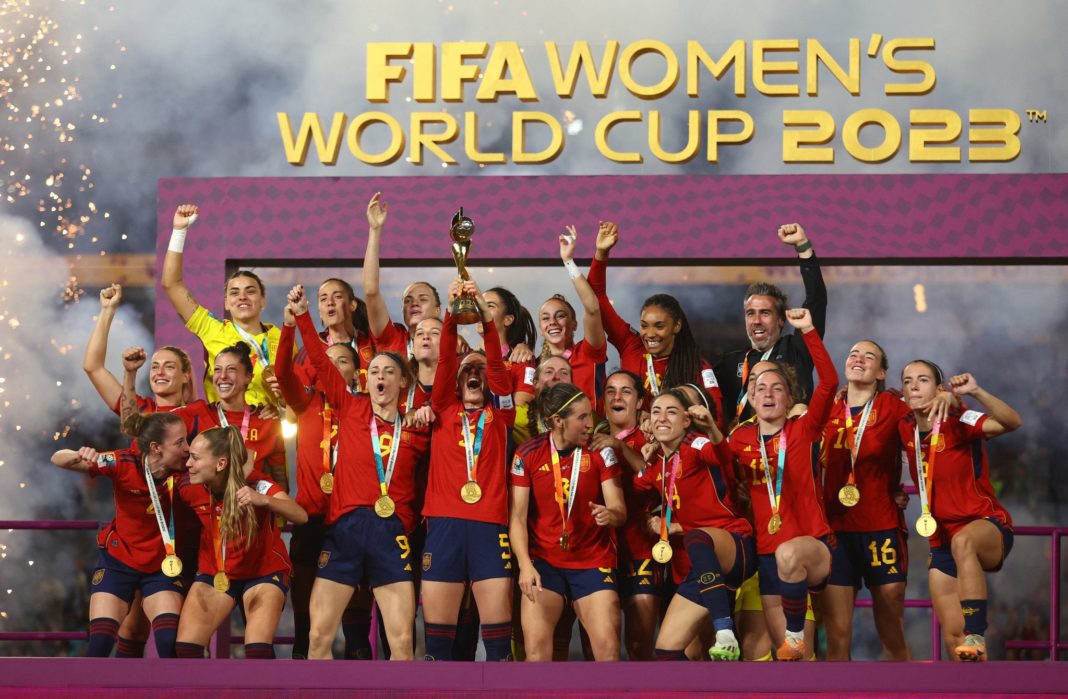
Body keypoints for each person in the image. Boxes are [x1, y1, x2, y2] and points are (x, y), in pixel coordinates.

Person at [287, 284, 430, 661]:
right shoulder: (350, 409)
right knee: (319, 638)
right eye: (375, 371)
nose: (380, 376)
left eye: (389, 371)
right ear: (365, 380)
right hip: (345, 529)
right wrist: (303, 316)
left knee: (401, 644)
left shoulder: (416, 427)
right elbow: (319, 359)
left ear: (403, 383)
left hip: (392, 532)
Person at [83, 284, 198, 657]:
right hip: (132, 541)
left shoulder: (202, 417)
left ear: (186, 376)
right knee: (126, 634)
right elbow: (93, 367)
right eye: (156, 365)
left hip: (178, 543)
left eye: (170, 366)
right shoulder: (139, 413)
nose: (160, 371)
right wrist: (107, 312)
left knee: (167, 638)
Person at [820, 341, 953, 661]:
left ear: (881, 373)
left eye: (869, 356)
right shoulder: (827, 407)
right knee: (837, 636)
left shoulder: (894, 406)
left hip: (881, 527)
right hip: (835, 530)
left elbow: (922, 439)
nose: (858, 359)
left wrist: (946, 396)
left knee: (890, 628)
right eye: (853, 353)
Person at [723, 308, 837, 661]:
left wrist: (809, 331)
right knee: (787, 657)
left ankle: (795, 635)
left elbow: (830, 382)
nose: (769, 394)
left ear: (790, 399)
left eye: (777, 388)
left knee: (790, 558)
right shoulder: (739, 439)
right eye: (760, 389)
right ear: (752, 399)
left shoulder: (803, 430)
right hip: (767, 554)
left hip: (811, 547)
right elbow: (720, 475)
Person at [420, 276, 515, 662]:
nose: (473, 372)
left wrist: (482, 319)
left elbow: (495, 362)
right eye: (465, 369)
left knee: (497, 646)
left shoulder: (502, 415)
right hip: (443, 525)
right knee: (438, 647)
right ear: (456, 384)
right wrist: (450, 314)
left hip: (489, 526)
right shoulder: (442, 409)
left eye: (479, 370)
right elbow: (445, 359)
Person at [898, 363, 1021, 662]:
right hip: (940, 539)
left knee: (963, 542)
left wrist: (971, 393)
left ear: (939, 389)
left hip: (987, 525)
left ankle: (978, 633)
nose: (914, 385)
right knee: (954, 638)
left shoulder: (960, 420)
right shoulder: (904, 427)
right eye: (907, 381)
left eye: (923, 380)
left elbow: (1012, 421)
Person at [50, 412, 191, 658]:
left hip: (161, 567)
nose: (188, 449)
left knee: (169, 642)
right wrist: (79, 455)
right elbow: (57, 459)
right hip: (119, 562)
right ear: (156, 448)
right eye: (180, 442)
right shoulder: (122, 462)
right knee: (100, 643)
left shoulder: (188, 474)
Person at [628, 388, 754, 661]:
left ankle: (725, 633)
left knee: (697, 537)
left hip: (735, 544)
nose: (662, 418)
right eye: (656, 411)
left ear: (686, 421)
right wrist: (646, 458)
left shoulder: (695, 444)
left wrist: (711, 429)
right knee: (667, 650)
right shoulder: (659, 463)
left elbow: (721, 455)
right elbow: (639, 485)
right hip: (701, 562)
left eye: (671, 412)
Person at [510, 383, 626, 661]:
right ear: (557, 422)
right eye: (582, 417)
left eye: (590, 415)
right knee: (536, 651)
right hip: (544, 564)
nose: (591, 424)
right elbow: (517, 518)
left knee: (608, 649)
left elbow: (619, 510)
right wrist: (525, 566)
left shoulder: (600, 451)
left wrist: (611, 515)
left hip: (592, 563)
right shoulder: (527, 453)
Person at [174, 426, 306, 659]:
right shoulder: (189, 486)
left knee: (257, 653)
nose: (188, 465)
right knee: (186, 650)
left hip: (263, 572)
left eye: (195, 458)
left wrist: (263, 500)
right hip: (216, 572)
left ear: (221, 463)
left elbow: (300, 515)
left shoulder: (256, 483)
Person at [275, 302, 360, 659]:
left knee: (357, 630)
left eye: (343, 360)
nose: (334, 365)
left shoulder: (365, 410)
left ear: (357, 374)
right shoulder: (306, 404)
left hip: (353, 522)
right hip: (310, 520)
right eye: (328, 359)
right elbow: (282, 372)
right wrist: (290, 328)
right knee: (304, 631)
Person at [586, 224, 721, 416]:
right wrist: (601, 253)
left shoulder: (696, 366)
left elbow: (716, 420)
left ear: (677, 325)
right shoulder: (631, 346)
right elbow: (595, 297)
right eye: (644, 326)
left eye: (659, 326)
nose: (650, 334)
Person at [161, 204, 282, 407]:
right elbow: (171, 285)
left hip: (267, 431)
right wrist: (179, 231)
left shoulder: (282, 338)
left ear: (262, 300)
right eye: (234, 292)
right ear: (226, 302)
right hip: (224, 429)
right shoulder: (212, 329)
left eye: (250, 291)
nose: (242, 297)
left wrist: (277, 408)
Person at [124, 343, 288, 490]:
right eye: (217, 370)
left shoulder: (267, 422)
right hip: (205, 516)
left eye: (231, 369)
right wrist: (130, 373)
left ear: (248, 377)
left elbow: (279, 481)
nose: (222, 376)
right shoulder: (196, 413)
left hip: (252, 516)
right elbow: (133, 428)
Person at [714, 223, 827, 426]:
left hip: (788, 450)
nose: (756, 320)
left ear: (781, 320)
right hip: (742, 450)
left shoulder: (796, 350)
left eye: (765, 313)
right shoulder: (730, 362)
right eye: (751, 314)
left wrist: (803, 247)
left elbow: (816, 300)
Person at [586, 370, 657, 660]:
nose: (617, 397)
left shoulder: (650, 437)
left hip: (639, 551)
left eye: (626, 391)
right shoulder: (588, 439)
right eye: (611, 391)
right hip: (597, 553)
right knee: (596, 647)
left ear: (640, 402)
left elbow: (650, 476)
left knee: (640, 645)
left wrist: (619, 446)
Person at [536, 225, 609, 408]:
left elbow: (592, 308)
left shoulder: (588, 352)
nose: (552, 322)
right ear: (541, 329)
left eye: (560, 316)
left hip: (591, 434)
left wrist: (568, 261)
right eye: (545, 318)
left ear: (574, 324)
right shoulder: (536, 366)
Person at [362, 192, 442, 357]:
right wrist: (375, 230)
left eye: (423, 299)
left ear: (437, 311)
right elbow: (371, 291)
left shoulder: (451, 344)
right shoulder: (393, 339)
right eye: (408, 301)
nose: (414, 304)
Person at [292, 277, 375, 393]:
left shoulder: (372, 343)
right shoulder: (307, 354)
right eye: (323, 299)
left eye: (337, 296)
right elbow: (298, 401)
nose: (330, 302)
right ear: (320, 312)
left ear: (352, 305)